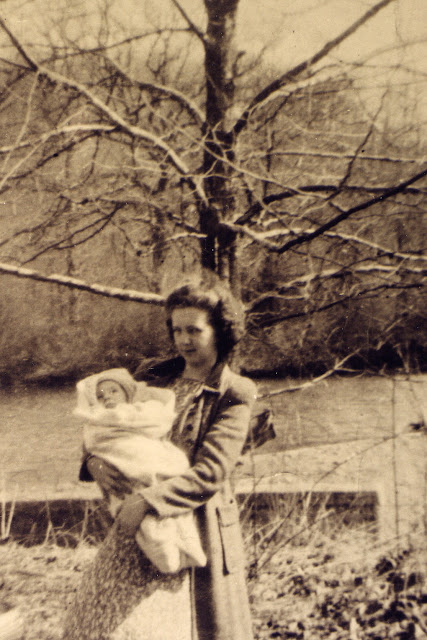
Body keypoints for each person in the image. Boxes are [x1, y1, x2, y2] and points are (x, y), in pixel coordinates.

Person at [63, 281, 257, 640]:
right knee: (88, 622)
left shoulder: (234, 392)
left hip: (196, 528)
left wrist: (148, 501)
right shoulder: (151, 376)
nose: (184, 340)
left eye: (194, 330)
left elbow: (211, 473)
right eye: (177, 330)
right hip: (138, 527)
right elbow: (105, 424)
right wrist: (93, 462)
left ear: (219, 331)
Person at [74, 367, 207, 573]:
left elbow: (214, 469)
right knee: (149, 537)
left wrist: (149, 499)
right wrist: (91, 461)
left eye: (113, 391)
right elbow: (95, 431)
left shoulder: (231, 389)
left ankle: (185, 552)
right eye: (101, 396)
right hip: (130, 488)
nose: (107, 397)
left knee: (179, 532)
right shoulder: (152, 372)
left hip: (184, 494)